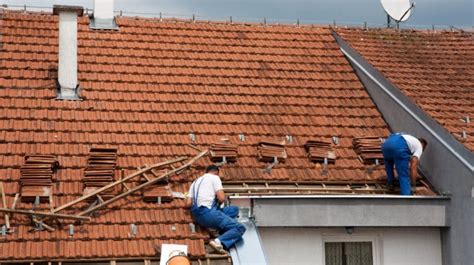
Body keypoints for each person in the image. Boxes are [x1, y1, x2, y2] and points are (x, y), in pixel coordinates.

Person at [185, 165, 246, 254]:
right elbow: (221, 198)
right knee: (239, 228)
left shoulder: (195, 182)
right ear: (216, 172)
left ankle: (223, 227)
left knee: (234, 210)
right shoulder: (215, 178)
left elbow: (188, 203)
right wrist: (219, 201)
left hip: (197, 215)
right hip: (208, 214)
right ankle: (218, 241)